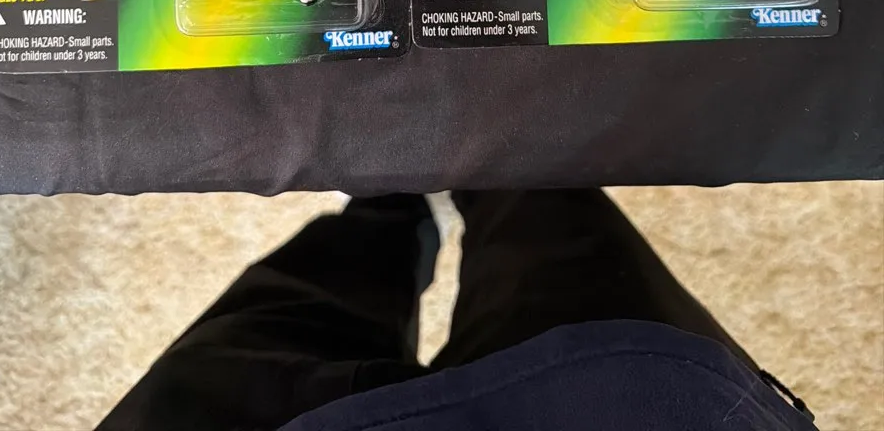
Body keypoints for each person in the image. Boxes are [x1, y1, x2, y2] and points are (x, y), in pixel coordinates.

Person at [95, 190, 816, 431]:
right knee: (542, 210)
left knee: (311, 292)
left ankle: (392, 193)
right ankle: (468, 165)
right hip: (612, 404)